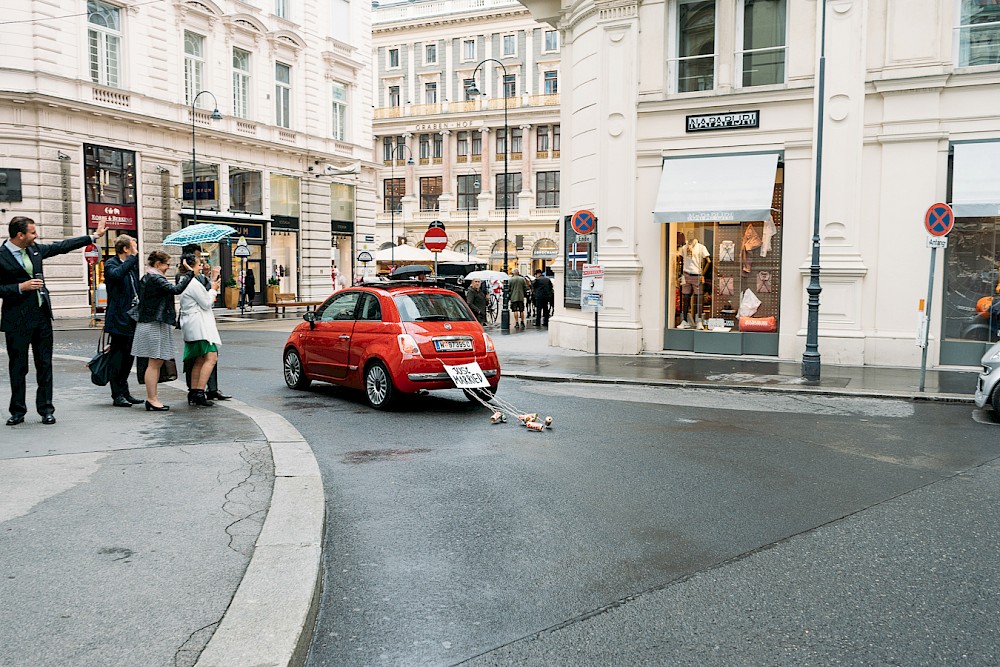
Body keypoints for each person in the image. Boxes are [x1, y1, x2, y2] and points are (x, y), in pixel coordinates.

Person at [1, 216, 108, 425]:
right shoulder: (1, 256)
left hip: (41, 317)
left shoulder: (35, 250)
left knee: (45, 365)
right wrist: (19, 288)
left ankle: (46, 410)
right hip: (17, 321)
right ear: (20, 235)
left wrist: (93, 236)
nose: (36, 235)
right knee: (18, 367)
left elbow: (61, 247)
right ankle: (17, 411)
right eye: (32, 232)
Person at [131, 250, 194, 411]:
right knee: (154, 363)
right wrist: (189, 273)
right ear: (158, 264)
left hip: (153, 322)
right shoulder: (155, 277)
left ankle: (153, 398)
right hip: (153, 323)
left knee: (156, 362)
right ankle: (152, 399)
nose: (168, 267)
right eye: (167, 264)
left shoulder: (149, 277)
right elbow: (176, 290)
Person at [177, 244, 230, 401]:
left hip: (193, 325)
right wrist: (213, 288)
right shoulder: (191, 282)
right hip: (199, 326)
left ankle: (195, 392)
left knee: (199, 359)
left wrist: (210, 280)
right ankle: (199, 391)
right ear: (191, 264)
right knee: (211, 357)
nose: (201, 265)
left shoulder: (187, 280)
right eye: (199, 262)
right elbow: (207, 302)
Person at [103, 234, 142, 408]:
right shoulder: (111, 264)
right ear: (125, 249)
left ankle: (125, 391)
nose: (135, 248)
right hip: (118, 318)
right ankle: (117, 393)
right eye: (133, 245)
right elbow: (116, 276)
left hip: (132, 317)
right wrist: (132, 258)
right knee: (118, 357)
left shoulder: (131, 266)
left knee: (128, 357)